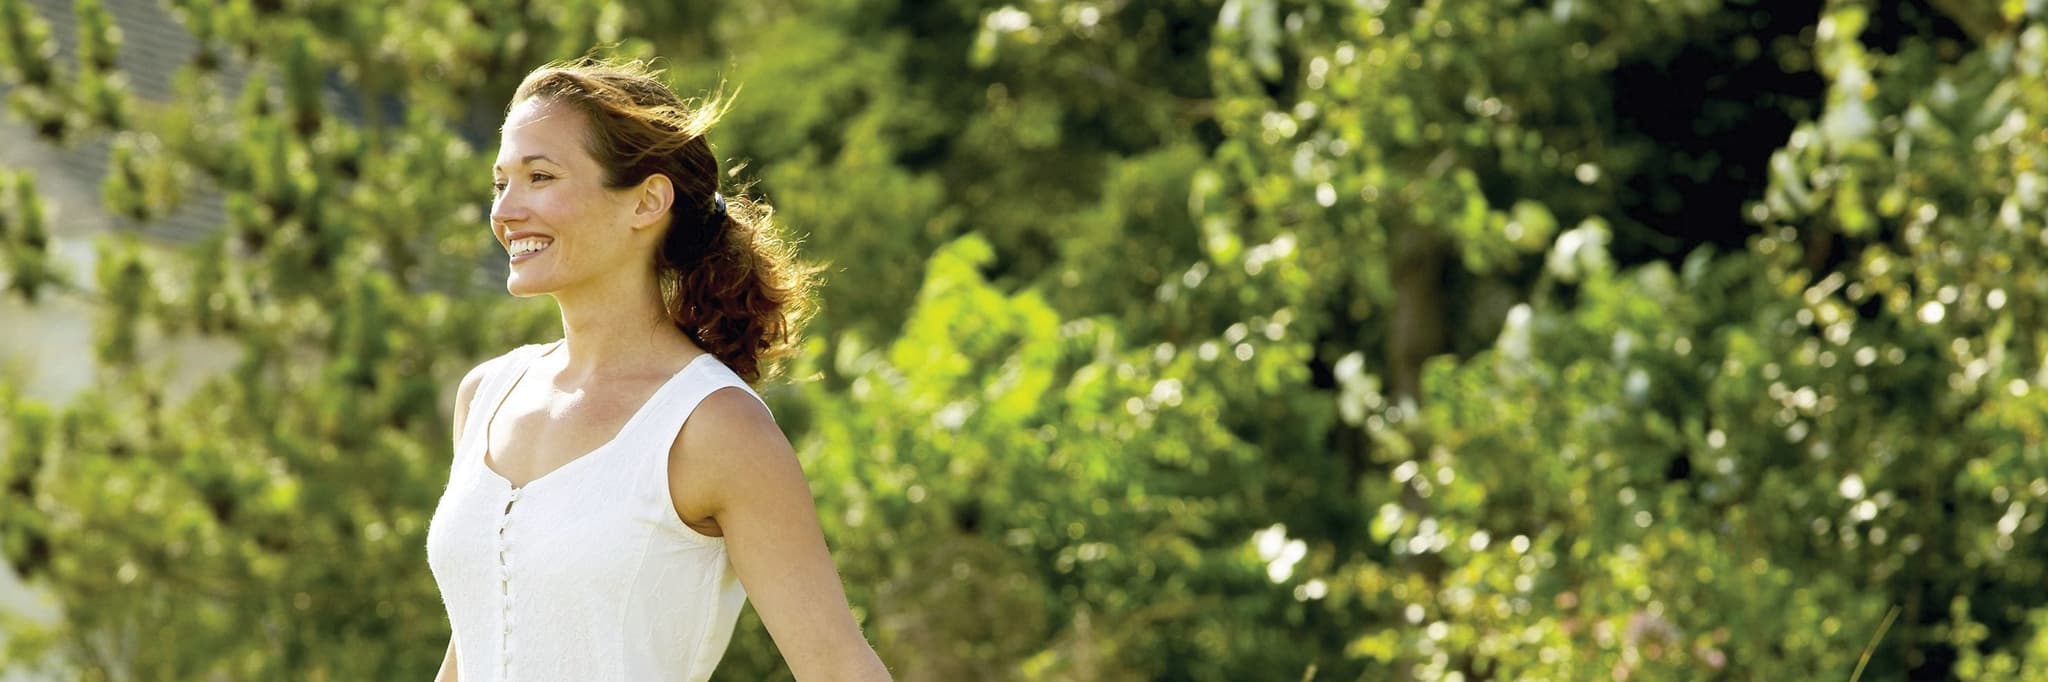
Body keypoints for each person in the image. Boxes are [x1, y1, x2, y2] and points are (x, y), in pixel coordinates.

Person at [424, 57, 891, 681]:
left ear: (647, 201)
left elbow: (838, 668)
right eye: (500, 183)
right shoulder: (486, 396)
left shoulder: (715, 427)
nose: (506, 211)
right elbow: (475, 645)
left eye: (540, 177)